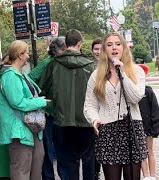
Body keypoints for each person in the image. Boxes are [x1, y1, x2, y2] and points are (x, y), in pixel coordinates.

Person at [83, 32, 148, 180]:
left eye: (118, 44)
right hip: (108, 132)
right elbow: (89, 105)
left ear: (124, 48)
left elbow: (135, 97)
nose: (114, 48)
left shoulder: (136, 71)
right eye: (109, 44)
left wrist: (122, 73)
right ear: (105, 49)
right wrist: (94, 118)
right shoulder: (96, 75)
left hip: (132, 129)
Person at [39, 29, 95, 180]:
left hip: (61, 121)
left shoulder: (53, 65)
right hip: (87, 122)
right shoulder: (90, 66)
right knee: (89, 162)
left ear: (66, 44)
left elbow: (41, 89)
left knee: (66, 164)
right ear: (79, 44)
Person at [0, 40, 49, 180]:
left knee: (36, 171)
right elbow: (18, 103)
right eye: (27, 53)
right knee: (21, 171)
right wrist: (40, 102)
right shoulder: (10, 76)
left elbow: (30, 96)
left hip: (33, 129)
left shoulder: (22, 75)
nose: (28, 56)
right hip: (19, 132)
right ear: (20, 55)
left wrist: (40, 100)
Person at [29, 37, 66, 180]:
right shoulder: (47, 63)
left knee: (52, 147)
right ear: (56, 50)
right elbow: (30, 79)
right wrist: (40, 97)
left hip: (54, 111)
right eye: (63, 49)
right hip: (51, 111)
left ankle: (53, 176)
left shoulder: (49, 63)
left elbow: (30, 79)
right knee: (53, 147)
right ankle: (56, 176)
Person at [137, 64, 159, 180]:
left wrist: (155, 129)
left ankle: (152, 175)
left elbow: (155, 111)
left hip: (148, 128)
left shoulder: (148, 92)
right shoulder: (133, 91)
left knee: (149, 151)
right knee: (141, 153)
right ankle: (146, 176)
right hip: (137, 128)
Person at [90, 38, 102, 180]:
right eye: (95, 49)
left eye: (100, 49)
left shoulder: (109, 65)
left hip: (105, 111)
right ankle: (95, 172)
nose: (98, 52)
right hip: (93, 112)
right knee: (93, 145)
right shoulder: (89, 67)